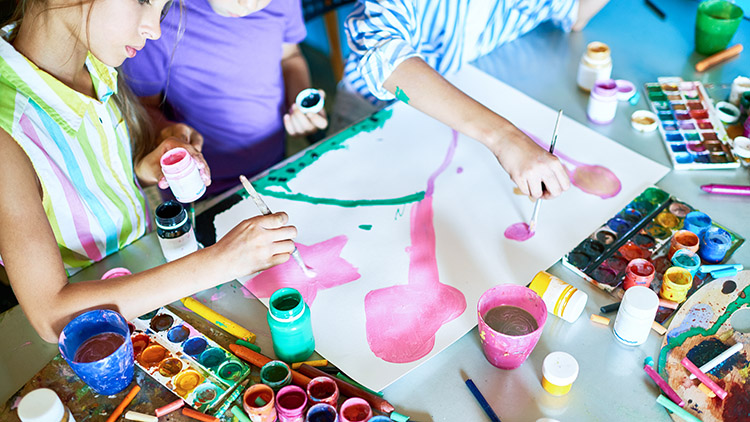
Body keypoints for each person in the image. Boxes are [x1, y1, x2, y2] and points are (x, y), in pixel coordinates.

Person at [0, 0, 297, 343]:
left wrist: (147, 167)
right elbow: (52, 317)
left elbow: (81, 186)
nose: (154, 30)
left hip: (148, 285)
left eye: (162, 9)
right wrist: (222, 261)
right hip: (97, 341)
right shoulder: (8, 129)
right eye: (143, 1)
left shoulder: (94, 61)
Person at [335, 0, 610, 200]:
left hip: (461, 120)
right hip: (374, 117)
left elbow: (575, 13)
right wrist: (505, 138)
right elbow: (383, 58)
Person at [121, 0, 328, 197]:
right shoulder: (161, 20)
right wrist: (166, 132)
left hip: (275, 162)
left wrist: (301, 107)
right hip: (202, 186)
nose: (249, 5)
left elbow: (290, 57)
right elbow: (144, 108)